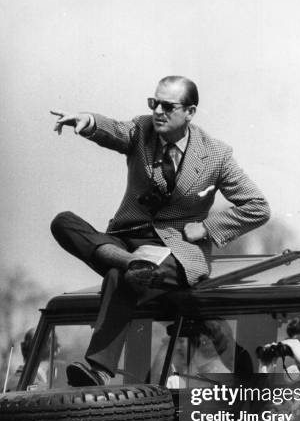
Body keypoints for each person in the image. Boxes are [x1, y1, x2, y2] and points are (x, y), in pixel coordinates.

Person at [50, 76, 270, 387]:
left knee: (120, 278)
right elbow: (114, 130)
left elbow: (258, 206)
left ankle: (99, 369)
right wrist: (87, 121)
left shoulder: (216, 155)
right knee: (63, 222)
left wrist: (206, 228)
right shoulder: (142, 131)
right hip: (125, 241)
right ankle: (130, 263)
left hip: (175, 250)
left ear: (190, 112)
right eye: (154, 103)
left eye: (168, 106)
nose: (158, 112)